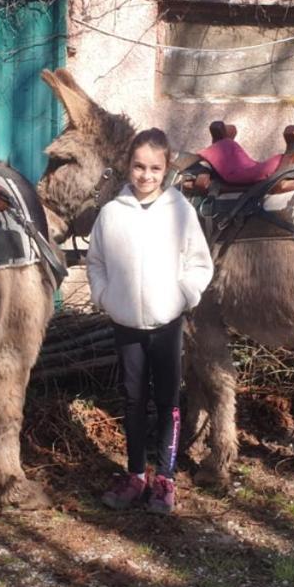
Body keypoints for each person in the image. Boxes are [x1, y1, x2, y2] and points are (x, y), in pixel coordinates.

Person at [86, 128, 213, 514]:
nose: (146, 175)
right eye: (139, 167)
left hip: (166, 324)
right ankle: (136, 474)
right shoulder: (110, 214)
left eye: (155, 168)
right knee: (133, 398)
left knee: (167, 399)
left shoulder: (180, 211)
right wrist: (105, 297)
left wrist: (182, 297)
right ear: (128, 166)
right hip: (126, 324)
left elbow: (199, 263)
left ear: (166, 168)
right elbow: (96, 263)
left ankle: (166, 479)